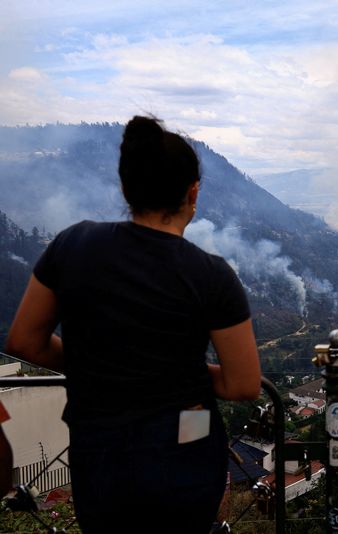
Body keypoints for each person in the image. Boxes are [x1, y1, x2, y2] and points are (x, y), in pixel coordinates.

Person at [5, 115, 261, 532]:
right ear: (193, 194)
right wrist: (175, 374)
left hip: (100, 458)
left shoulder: (73, 244)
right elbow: (243, 385)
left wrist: (97, 364)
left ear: (126, 188)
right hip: (185, 455)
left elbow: (24, 342)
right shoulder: (211, 275)